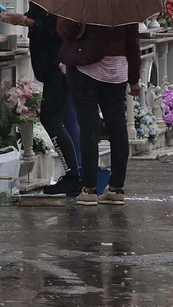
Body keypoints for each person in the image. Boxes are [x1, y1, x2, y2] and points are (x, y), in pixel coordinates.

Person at [55, 17, 140, 206]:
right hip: (117, 69)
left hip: (84, 67)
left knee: (89, 127)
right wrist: (134, 78)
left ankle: (90, 188)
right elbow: (133, 41)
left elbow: (66, 30)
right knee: (117, 128)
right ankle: (116, 188)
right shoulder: (126, 3)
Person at [0, 4, 82, 196]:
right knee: (52, 119)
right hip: (50, 70)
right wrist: (22, 18)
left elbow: (56, 31)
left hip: (58, 69)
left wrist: (25, 21)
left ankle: (73, 176)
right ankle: (73, 174)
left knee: (52, 119)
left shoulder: (58, 0)